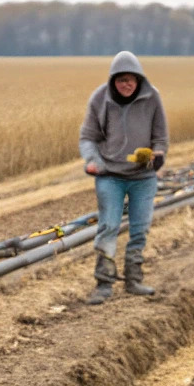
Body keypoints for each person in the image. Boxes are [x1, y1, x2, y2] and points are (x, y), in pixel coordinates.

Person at [79, 50, 169, 305]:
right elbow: (88, 137)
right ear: (113, 81)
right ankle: (104, 283)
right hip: (110, 176)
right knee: (108, 226)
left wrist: (159, 154)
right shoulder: (100, 99)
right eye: (121, 80)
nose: (126, 84)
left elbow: (160, 137)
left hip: (144, 177)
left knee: (140, 229)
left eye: (131, 79)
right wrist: (93, 161)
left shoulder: (152, 98)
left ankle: (134, 280)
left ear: (139, 79)